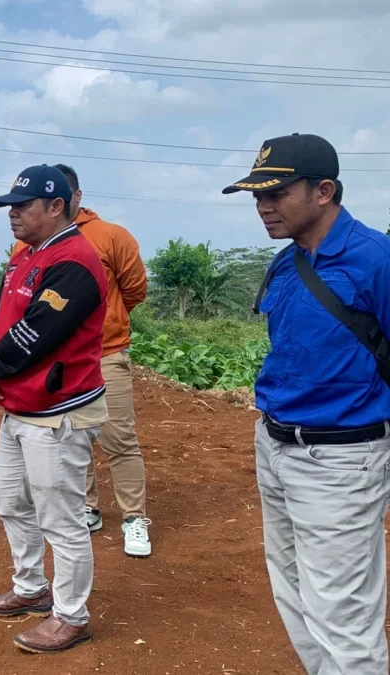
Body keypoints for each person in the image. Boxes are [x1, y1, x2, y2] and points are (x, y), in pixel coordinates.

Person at [225, 133, 390, 675]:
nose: (263, 207)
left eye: (276, 194)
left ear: (324, 191)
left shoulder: (376, 261)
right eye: (256, 197)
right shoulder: (285, 263)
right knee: (293, 588)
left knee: (343, 610)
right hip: (275, 444)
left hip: (342, 459)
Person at [0, 164, 108, 653]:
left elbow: (32, 338)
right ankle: (31, 588)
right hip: (20, 408)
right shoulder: (28, 256)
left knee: (61, 518)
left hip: (59, 411)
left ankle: (72, 616)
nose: (13, 215)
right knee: (8, 500)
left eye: (22, 206)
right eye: (10, 207)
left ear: (57, 206)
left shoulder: (77, 263)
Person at [8, 164, 151, 556]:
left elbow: (134, 289)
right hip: (51, 358)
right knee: (70, 437)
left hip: (104, 353)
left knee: (119, 438)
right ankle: (87, 507)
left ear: (73, 198)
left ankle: (134, 517)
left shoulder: (111, 237)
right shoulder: (26, 245)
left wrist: (106, 322)